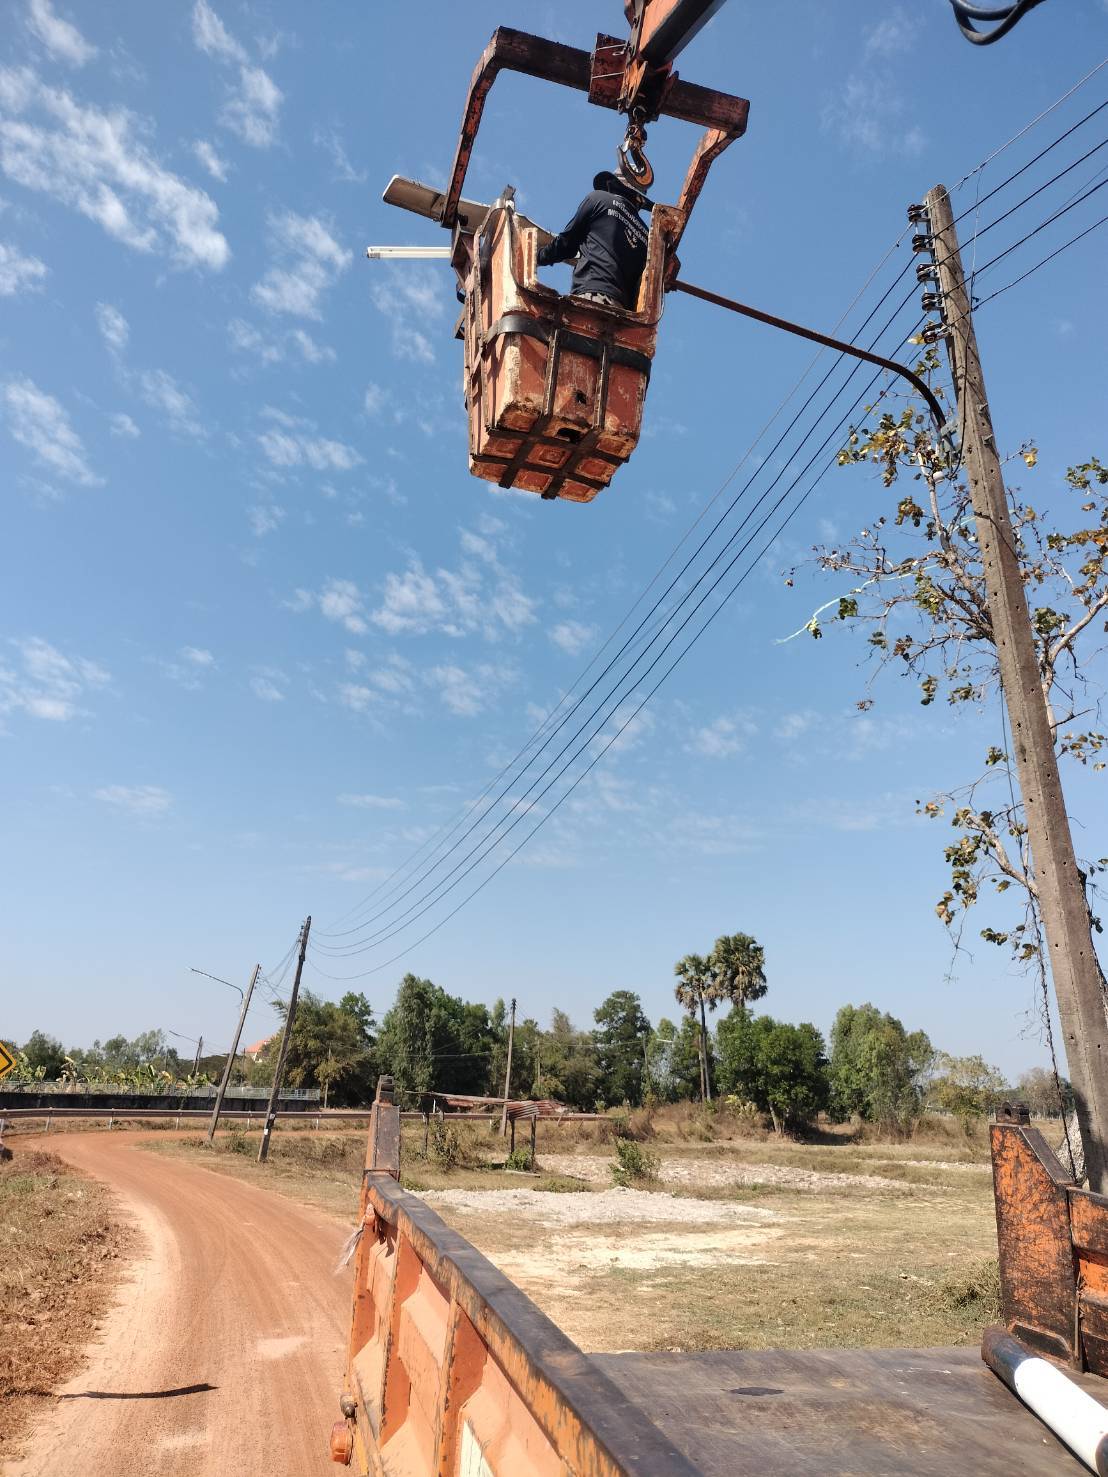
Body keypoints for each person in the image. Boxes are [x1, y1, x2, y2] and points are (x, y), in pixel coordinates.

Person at [537, 170, 654, 311]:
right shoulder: (647, 236)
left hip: (594, 296)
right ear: (640, 200)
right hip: (623, 312)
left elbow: (566, 245)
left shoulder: (598, 199)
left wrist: (537, 256)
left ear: (612, 184)